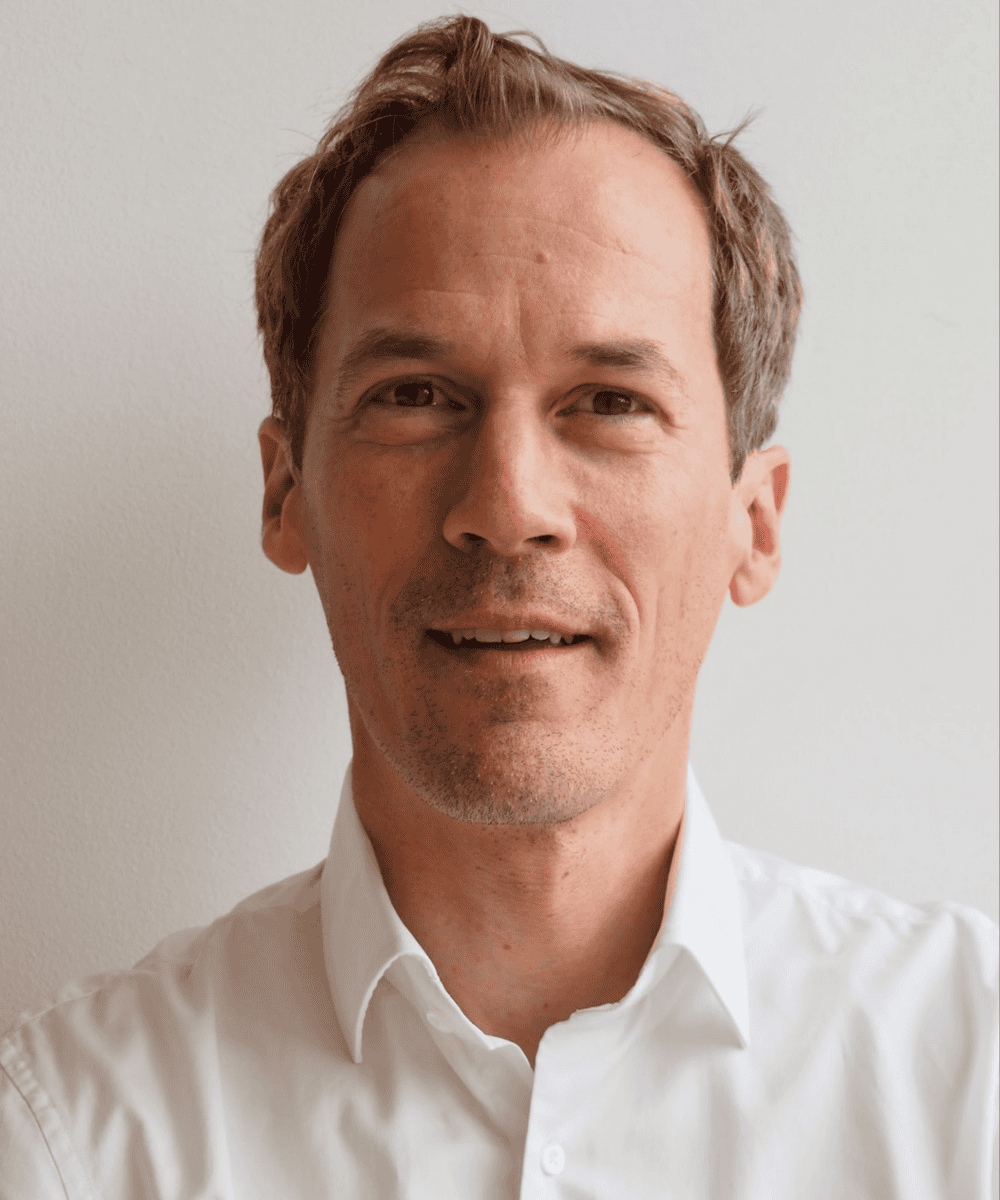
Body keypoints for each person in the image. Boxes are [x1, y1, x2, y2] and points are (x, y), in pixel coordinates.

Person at [1, 14, 996, 1199]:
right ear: (285, 494)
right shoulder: (73, 1140)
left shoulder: (974, 1082)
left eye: (610, 402)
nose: (508, 506)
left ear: (754, 520)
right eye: (416, 395)